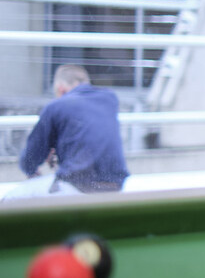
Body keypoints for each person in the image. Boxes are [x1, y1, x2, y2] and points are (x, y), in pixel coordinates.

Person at [15, 64, 129, 196]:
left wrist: (33, 170)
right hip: (115, 185)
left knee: (14, 197)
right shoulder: (110, 98)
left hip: (77, 186)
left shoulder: (56, 107)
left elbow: (29, 161)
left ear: (61, 89)